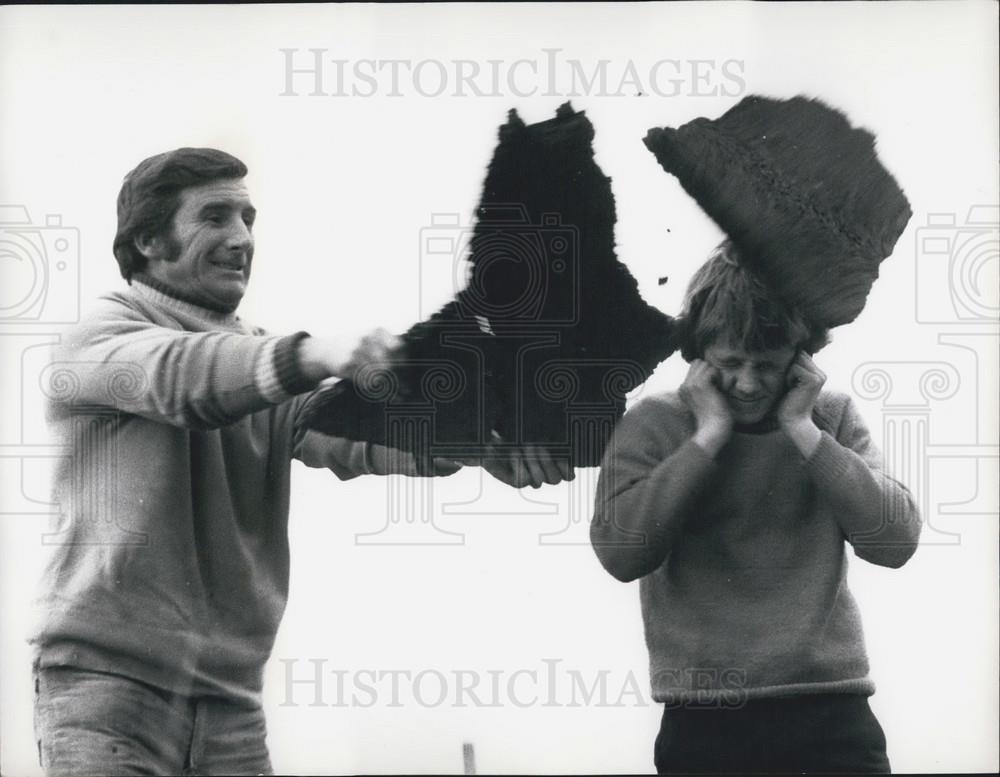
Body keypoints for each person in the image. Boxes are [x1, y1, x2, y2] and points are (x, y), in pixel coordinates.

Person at [30, 147, 569, 776]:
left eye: (248, 218)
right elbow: (181, 380)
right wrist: (317, 354)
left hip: (232, 702)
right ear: (148, 239)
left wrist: (476, 448)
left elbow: (343, 431)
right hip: (109, 689)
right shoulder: (98, 339)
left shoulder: (259, 360)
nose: (241, 238)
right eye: (215, 217)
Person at [590, 242, 922, 774]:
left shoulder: (827, 418)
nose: (747, 383)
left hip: (829, 711)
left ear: (802, 357)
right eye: (729, 363)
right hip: (705, 720)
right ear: (698, 356)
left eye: (767, 365)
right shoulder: (654, 422)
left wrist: (802, 429)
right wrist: (708, 438)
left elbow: (896, 541)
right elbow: (620, 553)